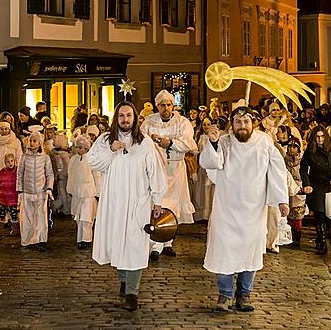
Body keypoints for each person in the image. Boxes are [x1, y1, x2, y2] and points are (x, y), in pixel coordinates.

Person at [200, 106, 289, 313]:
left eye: (246, 122)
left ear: (253, 123)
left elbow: (276, 170)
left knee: (251, 251)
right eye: (238, 122)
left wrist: (281, 200)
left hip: (253, 209)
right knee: (224, 250)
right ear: (232, 123)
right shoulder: (224, 141)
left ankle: (244, 294)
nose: (242, 126)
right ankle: (225, 294)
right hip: (226, 207)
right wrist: (212, 142)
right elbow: (209, 163)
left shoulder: (264, 142)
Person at [87, 101, 166, 311]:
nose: (125, 120)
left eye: (129, 115)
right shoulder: (105, 140)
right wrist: (110, 151)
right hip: (113, 201)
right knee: (116, 242)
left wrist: (157, 200)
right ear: (116, 118)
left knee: (135, 244)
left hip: (138, 202)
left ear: (135, 117)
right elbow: (92, 162)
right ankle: (124, 279)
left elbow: (155, 172)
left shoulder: (145, 143)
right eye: (121, 116)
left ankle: (132, 292)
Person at [141, 89, 197, 261]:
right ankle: (154, 245)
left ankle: (168, 242)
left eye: (169, 104)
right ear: (157, 106)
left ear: (173, 105)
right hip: (156, 169)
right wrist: (153, 141)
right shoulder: (149, 122)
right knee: (157, 203)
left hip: (175, 169)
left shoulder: (182, 122)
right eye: (162, 105)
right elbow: (141, 140)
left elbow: (188, 141)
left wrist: (170, 142)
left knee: (172, 206)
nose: (166, 108)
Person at [300, 125, 331, 254]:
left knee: (328, 213)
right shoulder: (310, 151)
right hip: (316, 184)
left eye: (322, 137)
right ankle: (321, 239)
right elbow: (303, 169)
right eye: (317, 137)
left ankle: (326, 232)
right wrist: (306, 183)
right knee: (319, 212)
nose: (320, 139)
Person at [17, 129, 54, 251]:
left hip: (41, 192)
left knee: (41, 217)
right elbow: (20, 174)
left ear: (40, 143)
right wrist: (20, 190)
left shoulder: (45, 158)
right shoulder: (23, 157)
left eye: (34, 141)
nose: (32, 143)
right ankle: (27, 239)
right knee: (27, 217)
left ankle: (41, 240)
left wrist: (49, 188)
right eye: (30, 140)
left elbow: (49, 174)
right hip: (27, 192)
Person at [67, 134, 98, 249]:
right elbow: (70, 175)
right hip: (77, 191)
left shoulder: (91, 159)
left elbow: (96, 175)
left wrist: (98, 192)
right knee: (79, 217)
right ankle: (80, 238)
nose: (78, 150)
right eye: (77, 147)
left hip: (88, 192)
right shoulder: (74, 159)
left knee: (86, 217)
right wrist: (70, 188)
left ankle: (86, 239)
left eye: (81, 148)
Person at [0, 119, 22, 188]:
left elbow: (19, 158)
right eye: (2, 129)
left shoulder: (16, 141)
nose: (4, 131)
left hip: (12, 173)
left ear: (9, 129)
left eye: (6, 129)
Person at [0, 153, 19, 235]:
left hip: (13, 198)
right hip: (2, 198)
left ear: (14, 161)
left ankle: (15, 230)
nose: (10, 163)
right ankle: (0, 230)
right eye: (8, 161)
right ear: (5, 163)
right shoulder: (1, 173)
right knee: (1, 215)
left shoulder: (17, 172)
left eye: (12, 161)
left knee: (14, 215)